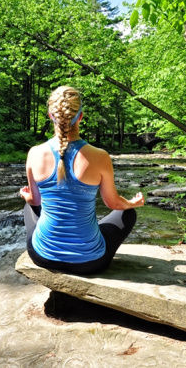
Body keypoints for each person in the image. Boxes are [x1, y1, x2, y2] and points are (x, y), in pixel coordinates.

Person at [19, 86, 145, 275]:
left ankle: (54, 244)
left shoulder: (35, 153)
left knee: (29, 207)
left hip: (43, 257)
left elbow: (36, 202)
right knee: (128, 213)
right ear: (81, 116)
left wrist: (26, 196)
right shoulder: (100, 156)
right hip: (90, 262)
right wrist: (132, 202)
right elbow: (113, 203)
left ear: (50, 115)